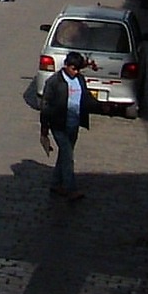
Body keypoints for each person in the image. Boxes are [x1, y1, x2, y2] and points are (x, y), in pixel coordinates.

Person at [38, 51, 101, 200]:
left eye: (78, 69)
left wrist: (100, 107)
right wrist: (44, 129)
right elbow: (46, 106)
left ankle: (55, 183)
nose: (76, 72)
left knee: (65, 155)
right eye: (73, 68)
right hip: (58, 125)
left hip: (74, 124)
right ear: (66, 65)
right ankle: (70, 188)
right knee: (68, 156)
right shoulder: (54, 82)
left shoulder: (80, 79)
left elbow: (86, 97)